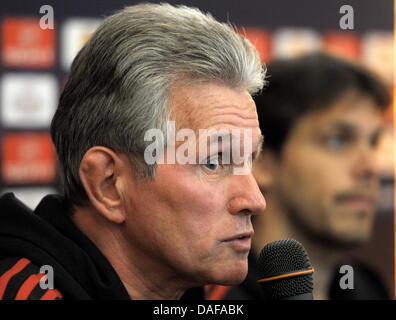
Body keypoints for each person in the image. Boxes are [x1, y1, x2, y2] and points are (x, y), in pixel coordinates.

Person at [0, 3, 267, 300]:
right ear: (109, 184)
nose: (255, 200)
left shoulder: (222, 296)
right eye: (214, 162)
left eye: (249, 159)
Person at [206, 53, 391, 300]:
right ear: (261, 161)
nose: (369, 167)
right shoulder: (213, 297)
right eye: (338, 140)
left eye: (373, 142)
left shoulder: (369, 288)